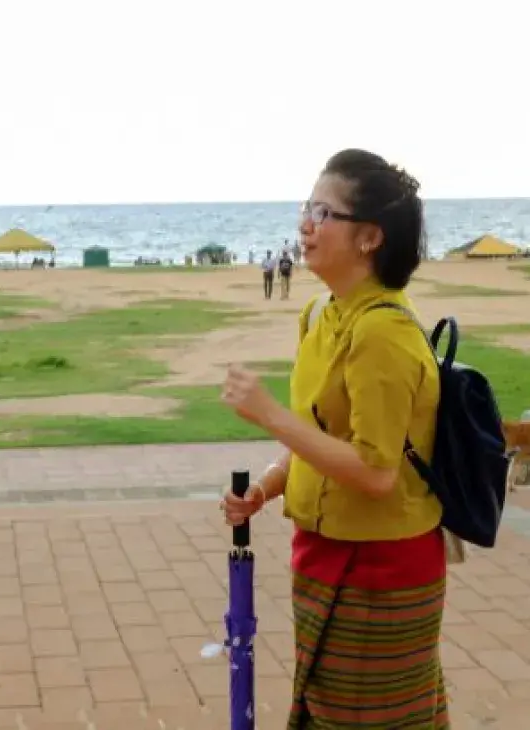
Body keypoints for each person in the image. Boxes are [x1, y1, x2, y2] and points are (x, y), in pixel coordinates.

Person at [221, 149, 448, 728]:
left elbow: (375, 473)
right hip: (322, 554)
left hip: (382, 569)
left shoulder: (382, 334)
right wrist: (268, 488)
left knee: (369, 719)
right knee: (327, 712)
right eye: (307, 206)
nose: (305, 223)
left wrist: (271, 415)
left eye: (324, 211)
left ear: (370, 237)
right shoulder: (322, 314)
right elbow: (320, 436)